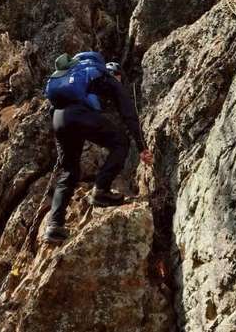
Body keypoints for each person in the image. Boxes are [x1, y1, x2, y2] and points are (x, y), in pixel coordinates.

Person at [43, 54, 153, 244]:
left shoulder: (73, 76)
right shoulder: (106, 76)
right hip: (79, 115)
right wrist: (142, 147)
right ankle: (101, 190)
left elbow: (55, 109)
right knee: (120, 142)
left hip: (59, 119)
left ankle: (54, 227)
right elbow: (128, 113)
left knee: (69, 171)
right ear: (115, 73)